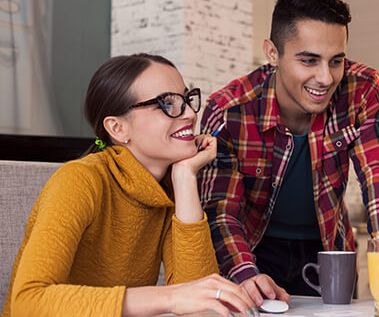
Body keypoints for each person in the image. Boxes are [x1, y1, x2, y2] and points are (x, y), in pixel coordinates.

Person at [199, 0, 379, 309]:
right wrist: (243, 272)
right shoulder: (229, 109)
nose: (325, 78)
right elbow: (220, 212)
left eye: (336, 61)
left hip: (330, 253)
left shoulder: (362, 89)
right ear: (272, 53)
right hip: (253, 253)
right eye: (309, 61)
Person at [2, 54, 258, 317]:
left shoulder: (169, 186)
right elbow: (29, 301)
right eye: (167, 103)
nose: (191, 114)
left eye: (187, 99)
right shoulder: (79, 179)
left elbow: (201, 299)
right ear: (118, 128)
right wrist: (168, 297)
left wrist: (185, 177)